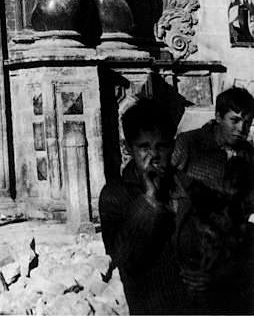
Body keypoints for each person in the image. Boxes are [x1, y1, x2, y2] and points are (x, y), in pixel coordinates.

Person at [98, 97, 190, 315]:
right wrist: (149, 200)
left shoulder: (189, 187)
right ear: (129, 148)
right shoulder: (115, 196)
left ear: (173, 146)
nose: (154, 156)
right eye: (144, 147)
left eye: (161, 146)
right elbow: (124, 257)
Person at [172, 86, 254, 315]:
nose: (242, 129)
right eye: (234, 120)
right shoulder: (189, 144)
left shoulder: (249, 155)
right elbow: (165, 188)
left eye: (247, 122)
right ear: (218, 117)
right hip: (189, 253)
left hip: (230, 258)